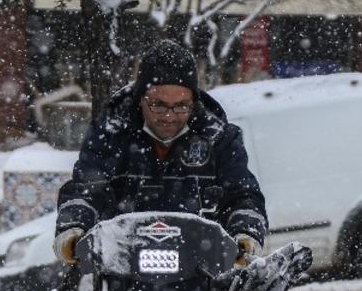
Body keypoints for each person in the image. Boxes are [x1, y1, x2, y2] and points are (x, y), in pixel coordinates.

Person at [53, 40, 267, 264]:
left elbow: (243, 195)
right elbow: (85, 189)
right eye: (158, 105)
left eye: (181, 105)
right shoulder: (110, 134)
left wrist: (245, 234)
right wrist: (73, 228)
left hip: (202, 272)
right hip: (121, 268)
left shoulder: (220, 139)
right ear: (140, 99)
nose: (169, 116)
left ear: (194, 101)